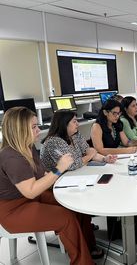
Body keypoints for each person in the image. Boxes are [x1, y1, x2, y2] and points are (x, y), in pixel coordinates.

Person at [0, 107, 98, 264]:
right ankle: (83, 261)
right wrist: (59, 169)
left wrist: (55, 177)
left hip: (30, 198)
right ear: (19, 129)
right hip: (13, 209)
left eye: (37, 125)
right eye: (33, 127)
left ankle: (87, 246)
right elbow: (31, 191)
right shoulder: (11, 156)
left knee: (75, 205)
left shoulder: (28, 146)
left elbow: (41, 174)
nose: (38, 130)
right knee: (65, 217)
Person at [41, 110, 117, 171]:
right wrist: (89, 156)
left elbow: (87, 150)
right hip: (58, 180)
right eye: (74, 121)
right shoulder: (53, 142)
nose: (78, 124)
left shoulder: (75, 134)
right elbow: (71, 165)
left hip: (76, 172)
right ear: (64, 124)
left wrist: (104, 158)